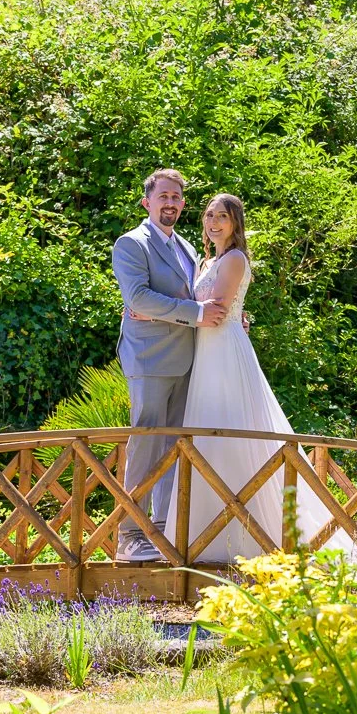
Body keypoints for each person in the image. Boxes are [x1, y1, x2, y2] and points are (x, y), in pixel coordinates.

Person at [178, 193, 353, 562]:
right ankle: (206, 535)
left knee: (233, 430)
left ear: (235, 223)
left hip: (224, 350)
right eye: (209, 215)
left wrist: (168, 313)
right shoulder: (208, 259)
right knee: (208, 434)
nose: (213, 222)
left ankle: (254, 536)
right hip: (207, 350)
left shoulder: (235, 259)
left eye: (222, 216)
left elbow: (219, 309)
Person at [110, 169, 228, 563]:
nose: (171, 203)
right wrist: (192, 313)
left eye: (177, 197)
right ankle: (129, 535)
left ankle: (159, 532)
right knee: (146, 441)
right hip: (149, 359)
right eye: (163, 196)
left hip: (188, 360)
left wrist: (225, 318)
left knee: (174, 445)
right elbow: (139, 298)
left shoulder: (188, 248)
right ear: (147, 201)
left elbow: (200, 297)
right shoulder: (132, 244)